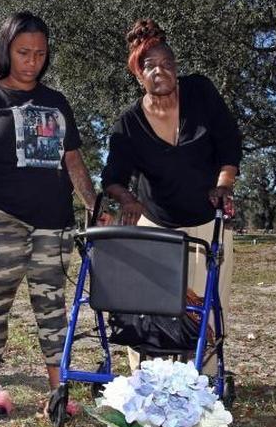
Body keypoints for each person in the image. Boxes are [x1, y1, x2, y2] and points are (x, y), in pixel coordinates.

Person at [0, 11, 108, 418]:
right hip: (0, 220)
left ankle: (59, 392)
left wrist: (93, 204)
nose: (32, 61)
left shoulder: (56, 102)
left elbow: (73, 160)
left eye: (40, 54)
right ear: (6, 49)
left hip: (53, 224)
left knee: (52, 308)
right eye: (23, 52)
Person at [101, 19, 242, 374]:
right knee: (150, 305)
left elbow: (229, 144)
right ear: (138, 75)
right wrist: (129, 200)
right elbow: (112, 179)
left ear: (177, 68)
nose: (160, 71)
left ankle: (206, 379)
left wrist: (224, 184)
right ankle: (146, 378)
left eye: (167, 64)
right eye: (150, 66)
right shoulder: (128, 124)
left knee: (207, 306)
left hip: (208, 221)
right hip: (158, 225)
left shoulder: (201, 92)